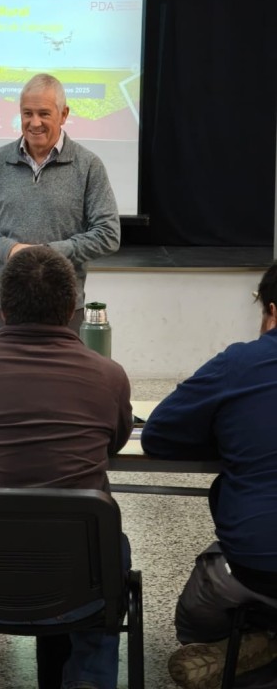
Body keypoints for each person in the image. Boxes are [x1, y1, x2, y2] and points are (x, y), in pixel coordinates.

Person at [0, 245, 133, 689]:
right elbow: (115, 443)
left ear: (3, 310)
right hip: (76, 573)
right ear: (71, 310)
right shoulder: (109, 375)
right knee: (112, 546)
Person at [141, 263, 277, 689]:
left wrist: (232, 438)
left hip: (259, 566)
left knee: (194, 617)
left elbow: (157, 435)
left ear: (271, 312)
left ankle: (254, 645)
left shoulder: (242, 362)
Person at [0, 72, 120, 341]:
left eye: (44, 114)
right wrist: (10, 250)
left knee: (64, 383)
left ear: (64, 114)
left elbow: (108, 234)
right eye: (27, 113)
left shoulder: (89, 166)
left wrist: (48, 255)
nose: (34, 123)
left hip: (64, 307)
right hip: (1, 305)